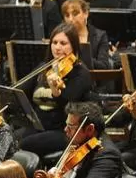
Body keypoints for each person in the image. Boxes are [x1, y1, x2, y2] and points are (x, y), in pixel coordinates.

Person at [19, 23, 93, 156]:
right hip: (40, 126)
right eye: (54, 42)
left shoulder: (80, 73)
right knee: (11, 137)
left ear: (74, 46)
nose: (58, 47)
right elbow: (22, 91)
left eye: (63, 43)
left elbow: (68, 104)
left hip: (64, 130)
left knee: (23, 144)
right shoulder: (44, 67)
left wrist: (55, 91)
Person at [61, 0, 111, 70]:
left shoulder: (100, 36)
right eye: (67, 15)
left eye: (75, 14)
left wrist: (77, 58)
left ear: (86, 13)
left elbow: (104, 65)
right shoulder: (60, 36)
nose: (71, 19)